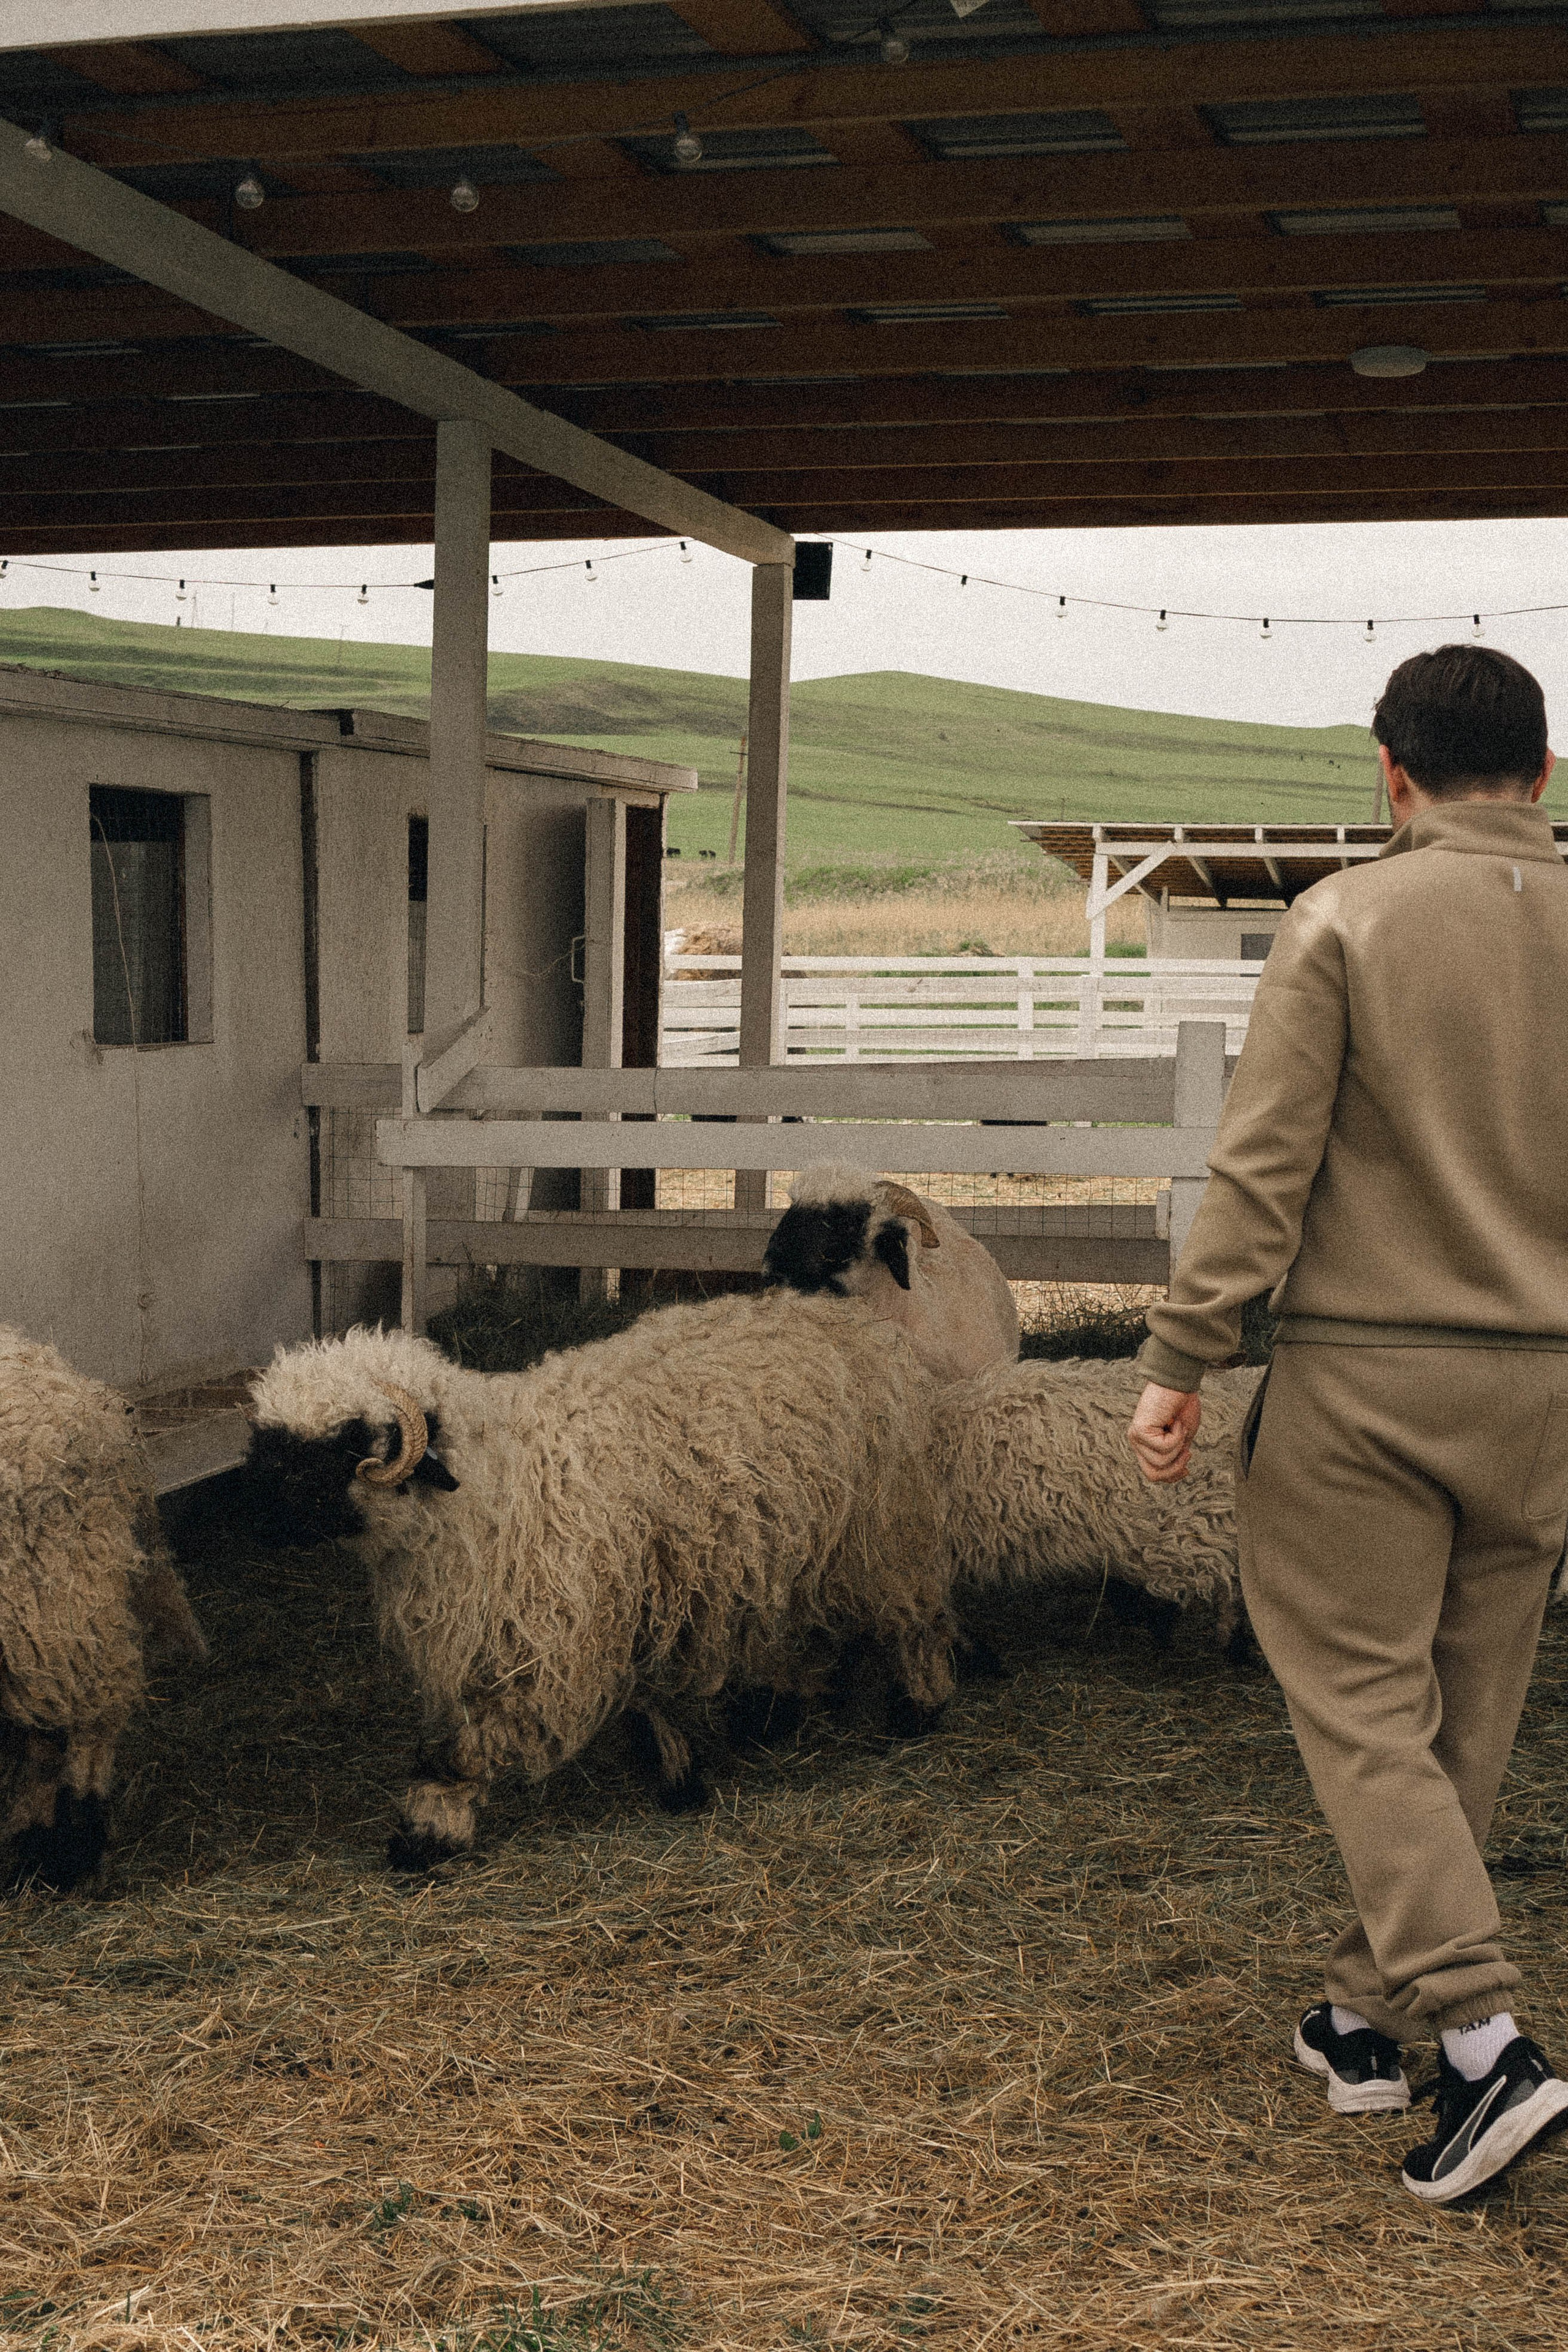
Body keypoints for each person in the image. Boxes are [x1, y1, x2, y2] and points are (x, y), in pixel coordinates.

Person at [1126, 644, 1568, 2204]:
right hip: (1545, 1393)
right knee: (1460, 1715)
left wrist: (1179, 1356)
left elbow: (1263, 1173)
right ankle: (1357, 2020)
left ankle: (1481, 2040)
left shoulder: (1344, 921)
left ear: (1387, 773)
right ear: (1540, 770)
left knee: (1364, 1712)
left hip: (1367, 1384)